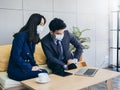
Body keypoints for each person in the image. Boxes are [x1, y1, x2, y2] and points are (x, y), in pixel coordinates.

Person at [7, 13, 48, 81]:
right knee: (43, 73)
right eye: (41, 24)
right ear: (34, 24)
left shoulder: (32, 37)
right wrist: (30, 67)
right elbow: (16, 56)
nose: (42, 27)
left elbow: (31, 57)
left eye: (43, 25)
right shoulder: (20, 36)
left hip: (25, 68)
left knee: (43, 72)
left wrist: (35, 66)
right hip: (16, 70)